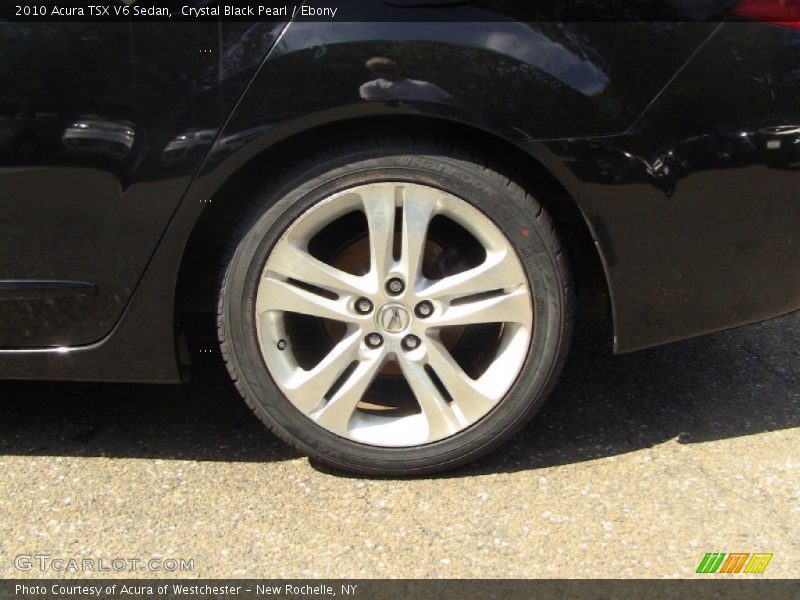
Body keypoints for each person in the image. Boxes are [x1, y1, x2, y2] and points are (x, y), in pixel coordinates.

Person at [359, 57, 454, 103]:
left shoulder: (428, 85)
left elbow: (450, 101)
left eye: (390, 70)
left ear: (397, 69)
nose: (386, 73)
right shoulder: (370, 86)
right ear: (375, 72)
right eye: (379, 71)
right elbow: (375, 107)